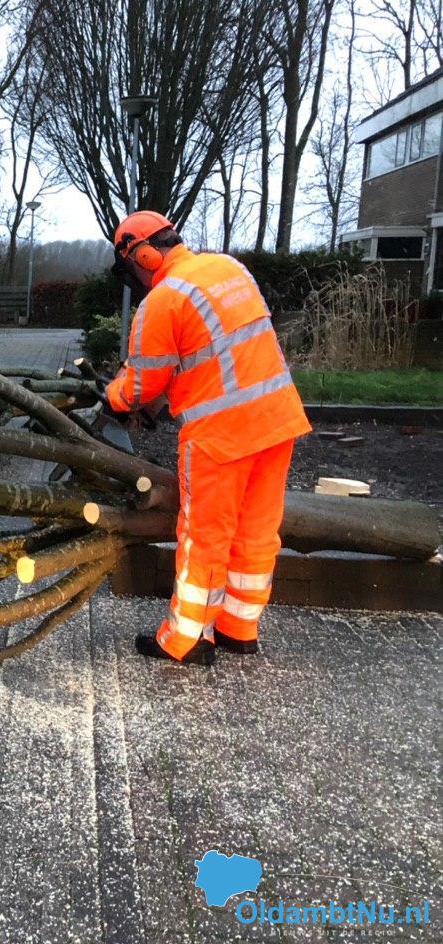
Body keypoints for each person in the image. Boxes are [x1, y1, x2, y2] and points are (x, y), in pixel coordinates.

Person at [104, 211, 311, 666]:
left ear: (142, 254)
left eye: (131, 267)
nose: (134, 277)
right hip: (277, 418)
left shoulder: (163, 300)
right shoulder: (230, 269)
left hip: (221, 434)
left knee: (204, 535)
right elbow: (219, 352)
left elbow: (141, 385)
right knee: (256, 529)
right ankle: (239, 628)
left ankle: (185, 639)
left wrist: (112, 396)